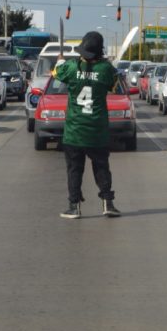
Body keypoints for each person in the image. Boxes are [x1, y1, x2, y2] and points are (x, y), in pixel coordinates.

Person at [53, 31, 120, 219]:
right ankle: (108, 202)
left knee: (74, 169)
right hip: (97, 131)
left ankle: (74, 206)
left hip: (75, 131)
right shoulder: (106, 69)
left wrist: (59, 61)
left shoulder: (71, 66)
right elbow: (114, 85)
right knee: (101, 167)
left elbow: (57, 73)